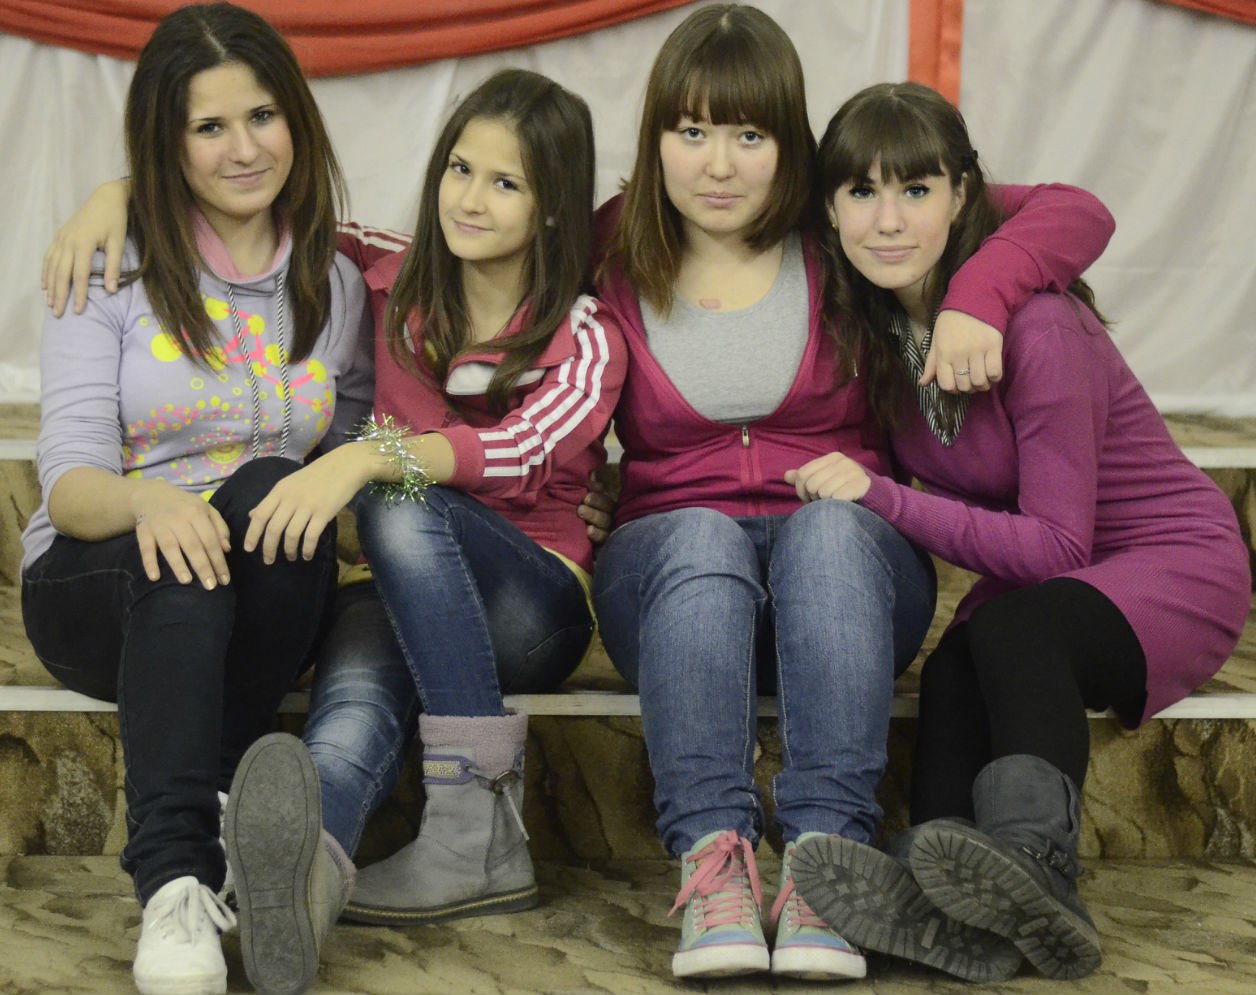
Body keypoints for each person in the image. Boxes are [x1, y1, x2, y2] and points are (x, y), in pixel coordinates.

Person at [587, 4, 1119, 983]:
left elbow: (1074, 212)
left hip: (844, 586)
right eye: (691, 131)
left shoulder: (837, 224)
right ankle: (712, 861)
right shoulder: (615, 244)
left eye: (748, 135)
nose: (717, 165)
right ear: (654, 137)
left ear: (788, 142)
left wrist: (974, 297)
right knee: (698, 533)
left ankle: (827, 866)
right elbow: (473, 281)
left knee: (831, 528)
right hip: (671, 587)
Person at [789, 80, 1251, 983]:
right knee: (957, 660)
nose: (889, 219)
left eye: (916, 189)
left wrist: (882, 497)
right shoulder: (880, 334)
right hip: (1042, 586)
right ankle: (948, 894)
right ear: (830, 209)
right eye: (862, 192)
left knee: (1008, 626)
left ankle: (1039, 871)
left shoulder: (1038, 327)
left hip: (1169, 563)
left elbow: (1056, 550)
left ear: (962, 194)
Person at [19, 5, 372, 995]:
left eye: (260, 116)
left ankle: (213, 816)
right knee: (180, 550)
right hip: (98, 581)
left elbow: (350, 448)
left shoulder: (337, 282)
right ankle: (175, 880)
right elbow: (70, 482)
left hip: (253, 596)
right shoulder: (110, 267)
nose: (243, 148)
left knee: (274, 486)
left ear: (295, 118)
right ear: (166, 143)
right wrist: (149, 502)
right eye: (207, 127)